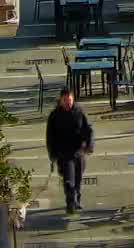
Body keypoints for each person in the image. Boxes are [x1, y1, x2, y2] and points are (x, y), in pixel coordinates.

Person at [44, 87, 94, 215]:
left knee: (78, 178)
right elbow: (50, 137)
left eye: (70, 100)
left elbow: (88, 130)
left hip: (79, 151)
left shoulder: (79, 112)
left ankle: (76, 199)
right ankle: (70, 202)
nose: (68, 103)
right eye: (65, 100)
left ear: (73, 99)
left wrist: (89, 145)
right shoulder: (54, 116)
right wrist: (52, 153)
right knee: (69, 179)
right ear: (60, 101)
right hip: (64, 153)